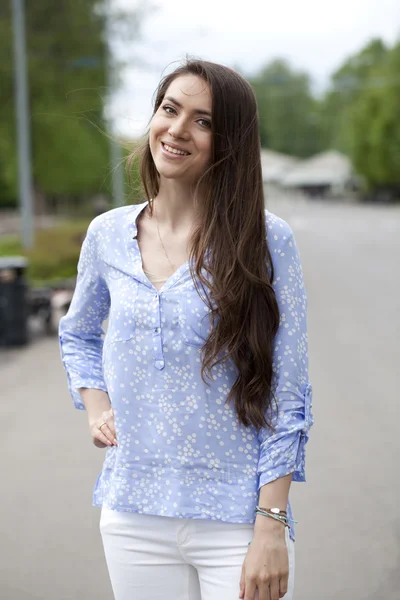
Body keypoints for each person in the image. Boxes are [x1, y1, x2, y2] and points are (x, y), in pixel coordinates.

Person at [59, 59, 313, 600]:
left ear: (228, 142)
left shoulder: (266, 241)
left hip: (238, 519)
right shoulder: (107, 235)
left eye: (202, 120)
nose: (177, 130)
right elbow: (78, 333)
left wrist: (271, 522)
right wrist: (96, 402)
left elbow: (287, 393)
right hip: (132, 511)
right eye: (170, 109)